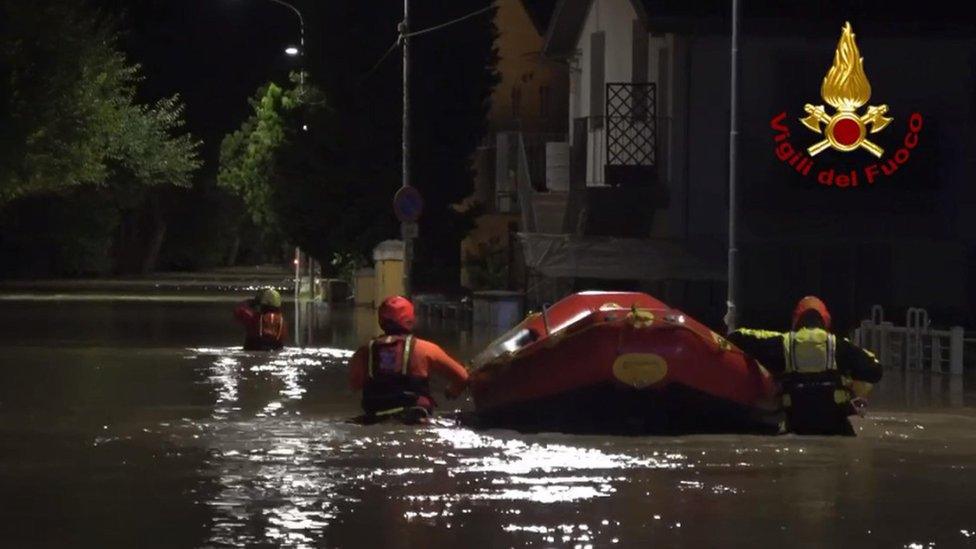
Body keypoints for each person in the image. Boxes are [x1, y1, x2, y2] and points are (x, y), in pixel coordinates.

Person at [727, 296, 883, 436]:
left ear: (796, 320)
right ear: (826, 320)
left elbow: (738, 337)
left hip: (797, 424)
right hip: (835, 425)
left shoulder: (783, 343)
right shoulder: (840, 346)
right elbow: (875, 371)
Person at [348, 295, 469, 423]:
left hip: (374, 416)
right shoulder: (425, 348)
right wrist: (452, 391)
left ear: (380, 320)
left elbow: (355, 385)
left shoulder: (365, 350)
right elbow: (463, 377)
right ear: (410, 320)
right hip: (414, 417)